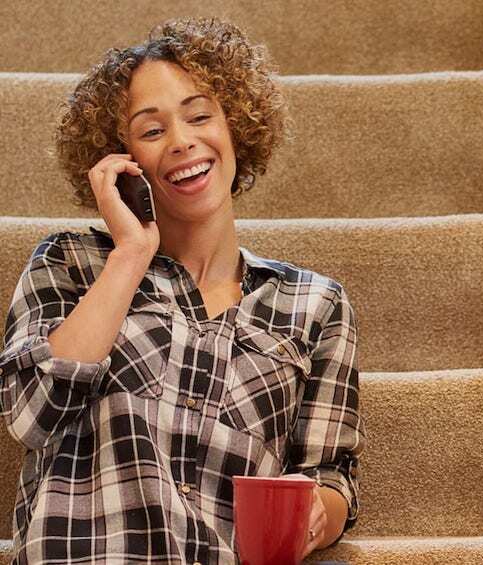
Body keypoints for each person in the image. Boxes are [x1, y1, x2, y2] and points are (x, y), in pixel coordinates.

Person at [0, 18, 364, 564]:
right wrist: (130, 254)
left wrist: (320, 508)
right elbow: (31, 415)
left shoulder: (315, 305)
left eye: (199, 116)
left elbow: (328, 473)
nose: (182, 141)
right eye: (151, 131)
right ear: (122, 162)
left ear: (236, 127)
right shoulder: (70, 263)